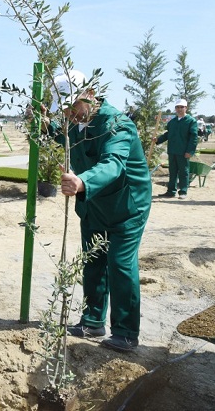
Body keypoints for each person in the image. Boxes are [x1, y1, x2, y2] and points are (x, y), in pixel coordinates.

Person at [44, 70, 151, 352]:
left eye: (73, 106)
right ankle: (92, 321)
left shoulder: (117, 125)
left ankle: (126, 331)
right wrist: (42, 123)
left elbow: (113, 164)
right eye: (64, 109)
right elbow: (60, 136)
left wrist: (82, 181)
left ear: (90, 94)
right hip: (94, 205)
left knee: (120, 264)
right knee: (92, 261)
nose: (69, 114)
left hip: (126, 206)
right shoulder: (76, 122)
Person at [153, 99, 198, 199]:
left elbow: (194, 137)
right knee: (172, 171)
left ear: (186, 108)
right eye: (177, 107)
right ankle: (171, 191)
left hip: (183, 152)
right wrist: (157, 140)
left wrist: (190, 151)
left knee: (183, 171)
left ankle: (183, 191)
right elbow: (168, 134)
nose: (179, 109)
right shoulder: (172, 122)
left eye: (182, 107)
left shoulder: (191, 121)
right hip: (172, 150)